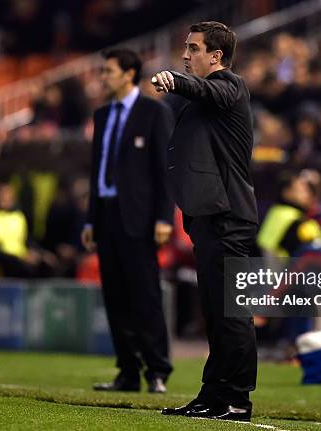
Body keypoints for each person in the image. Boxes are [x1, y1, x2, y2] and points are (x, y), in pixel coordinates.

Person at [153, 21, 258, 422]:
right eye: (185, 48)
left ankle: (237, 400)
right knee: (215, 312)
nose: (185, 55)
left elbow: (204, 88)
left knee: (232, 312)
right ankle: (213, 395)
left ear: (215, 56)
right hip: (210, 217)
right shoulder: (206, 99)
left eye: (193, 48)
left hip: (227, 215)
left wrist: (176, 82)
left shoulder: (231, 86)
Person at [81, 48, 174, 394]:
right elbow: (97, 169)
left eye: (109, 71)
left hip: (140, 217)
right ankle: (128, 371)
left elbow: (164, 170)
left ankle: (157, 369)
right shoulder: (103, 115)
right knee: (115, 296)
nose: (103, 77)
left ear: (129, 74)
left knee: (145, 295)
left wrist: (164, 216)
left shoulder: (154, 112)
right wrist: (90, 219)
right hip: (106, 214)